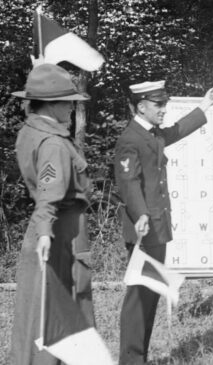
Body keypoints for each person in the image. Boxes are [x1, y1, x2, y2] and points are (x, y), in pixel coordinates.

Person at [115, 80, 213, 364]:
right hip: (143, 229)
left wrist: (204, 105)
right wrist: (142, 214)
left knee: (151, 295)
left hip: (158, 229)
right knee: (139, 297)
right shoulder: (130, 138)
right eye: (159, 105)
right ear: (142, 106)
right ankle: (130, 360)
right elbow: (128, 182)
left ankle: (140, 358)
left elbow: (177, 130)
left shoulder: (152, 134)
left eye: (165, 104)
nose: (164, 110)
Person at [10, 64, 95, 365]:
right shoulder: (54, 143)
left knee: (37, 308)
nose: (72, 108)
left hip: (44, 230)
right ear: (50, 103)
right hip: (62, 234)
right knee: (61, 309)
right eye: (68, 102)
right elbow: (50, 190)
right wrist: (47, 229)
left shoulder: (29, 131)